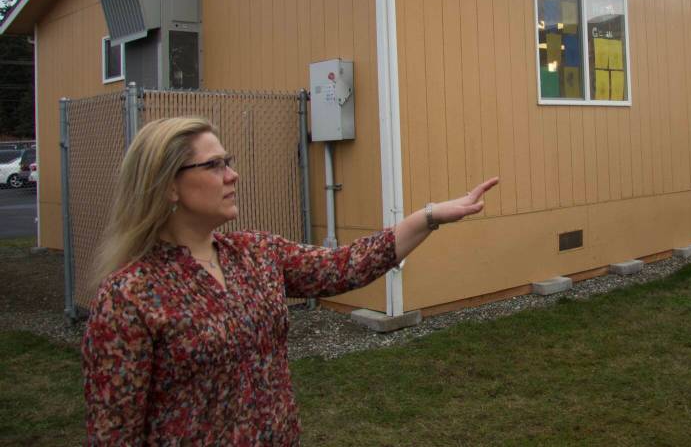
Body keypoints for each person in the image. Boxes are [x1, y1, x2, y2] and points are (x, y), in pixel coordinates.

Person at [82, 117, 498, 444]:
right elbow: (114, 430)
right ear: (169, 186)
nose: (232, 175)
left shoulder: (254, 254)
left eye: (228, 162)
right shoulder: (129, 295)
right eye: (214, 165)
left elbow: (345, 265)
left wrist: (428, 217)